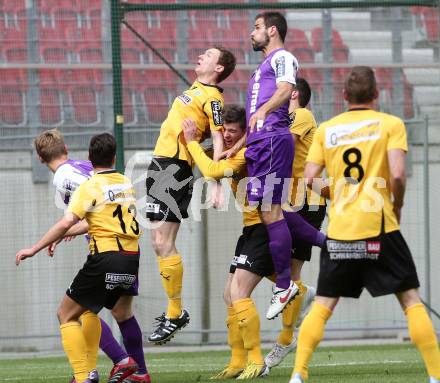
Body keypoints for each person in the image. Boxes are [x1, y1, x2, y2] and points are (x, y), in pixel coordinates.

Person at [289, 66, 440, 383]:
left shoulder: (327, 129)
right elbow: (397, 175)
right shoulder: (390, 124)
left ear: (344, 96)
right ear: (376, 95)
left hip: (342, 231)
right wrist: (396, 205)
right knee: (411, 301)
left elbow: (308, 178)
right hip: (380, 227)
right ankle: (435, 376)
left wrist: (338, 196)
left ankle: (298, 374)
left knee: (322, 306)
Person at [182, 105, 324, 379]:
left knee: (238, 293)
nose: (227, 135)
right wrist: (199, 138)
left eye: (233, 131)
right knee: (229, 295)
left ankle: (256, 360)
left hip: (262, 227)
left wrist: (192, 144)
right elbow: (208, 157)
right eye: (224, 130)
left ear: (246, 133)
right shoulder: (231, 148)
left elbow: (211, 170)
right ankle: (238, 360)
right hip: (249, 228)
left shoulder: (248, 153)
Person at [16, 133, 141, 383]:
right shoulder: (120, 179)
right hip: (129, 250)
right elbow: (100, 208)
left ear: (40, 159)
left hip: (105, 252)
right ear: (66, 148)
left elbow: (74, 216)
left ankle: (95, 370)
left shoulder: (66, 177)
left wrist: (41, 244)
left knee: (66, 314)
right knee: (90, 310)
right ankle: (102, 371)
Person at [146, 47, 236, 344]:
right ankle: (175, 311)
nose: (200, 56)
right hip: (162, 164)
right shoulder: (197, 89)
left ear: (219, 68)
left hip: (174, 167)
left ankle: (175, 313)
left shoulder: (213, 98)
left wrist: (216, 179)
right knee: (158, 243)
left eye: (208, 55)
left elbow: (220, 135)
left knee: (163, 242)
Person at [245, 11, 306, 320]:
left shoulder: (283, 57)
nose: (251, 33)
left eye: (256, 28)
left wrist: (263, 112)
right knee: (270, 210)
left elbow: (284, 90)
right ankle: (328, 244)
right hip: (259, 143)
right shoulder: (263, 65)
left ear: (271, 30)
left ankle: (284, 285)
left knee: (271, 211)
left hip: (272, 139)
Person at [265, 78, 326, 368]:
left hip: (307, 202)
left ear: (295, 93)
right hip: (290, 203)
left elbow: (281, 140)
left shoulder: (301, 115)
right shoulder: (289, 116)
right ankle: (303, 294)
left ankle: (285, 340)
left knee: (290, 270)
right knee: (283, 271)